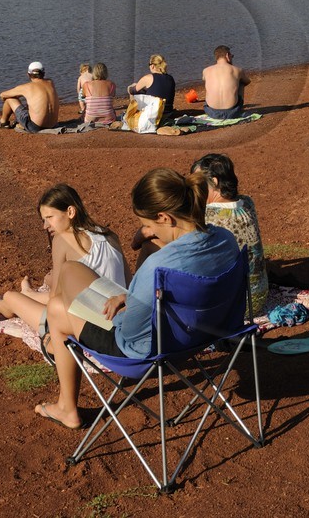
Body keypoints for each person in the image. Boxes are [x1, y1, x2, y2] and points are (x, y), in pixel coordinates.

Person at [30, 168, 240, 430]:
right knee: (69, 298)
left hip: (145, 354)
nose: (148, 232)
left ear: (164, 217)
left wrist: (122, 304)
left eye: (148, 225)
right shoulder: (226, 240)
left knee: (60, 304)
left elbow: (128, 333)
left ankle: (66, 407)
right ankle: (64, 404)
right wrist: (133, 297)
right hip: (206, 334)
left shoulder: (157, 267)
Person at [0, 184, 127, 425]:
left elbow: (56, 301)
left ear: (70, 212)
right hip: (119, 317)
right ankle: (28, 293)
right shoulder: (109, 235)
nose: (46, 226)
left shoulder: (64, 240)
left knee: (12, 297)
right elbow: (125, 282)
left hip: (88, 322)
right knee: (48, 283)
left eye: (49, 218)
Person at [134, 153, 269, 317]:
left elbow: (139, 240)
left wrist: (147, 229)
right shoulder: (247, 202)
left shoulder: (209, 214)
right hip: (257, 296)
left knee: (151, 244)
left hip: (234, 307)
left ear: (215, 182)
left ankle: (134, 300)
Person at [0, 61, 60, 131]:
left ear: (28, 74)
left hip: (35, 127)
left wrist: (15, 97)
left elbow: (2, 95)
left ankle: (3, 123)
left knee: (10, 99)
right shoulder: (50, 82)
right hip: (53, 124)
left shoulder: (26, 87)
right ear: (43, 73)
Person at [201, 45, 250, 120]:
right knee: (241, 82)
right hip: (233, 112)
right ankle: (236, 106)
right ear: (227, 55)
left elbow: (204, 79)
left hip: (211, 112)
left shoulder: (206, 70)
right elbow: (247, 81)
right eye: (232, 56)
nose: (232, 58)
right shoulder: (237, 70)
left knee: (209, 83)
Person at [128, 54, 177, 127]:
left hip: (153, 116)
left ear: (152, 66)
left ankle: (131, 114)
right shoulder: (171, 78)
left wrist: (131, 87)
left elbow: (132, 91)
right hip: (168, 113)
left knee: (132, 88)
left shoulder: (148, 78)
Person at [80, 62, 118, 126]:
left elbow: (83, 96)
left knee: (87, 105)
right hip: (109, 118)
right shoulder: (112, 84)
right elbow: (113, 96)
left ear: (94, 73)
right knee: (111, 107)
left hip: (90, 119)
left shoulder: (86, 85)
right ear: (106, 73)